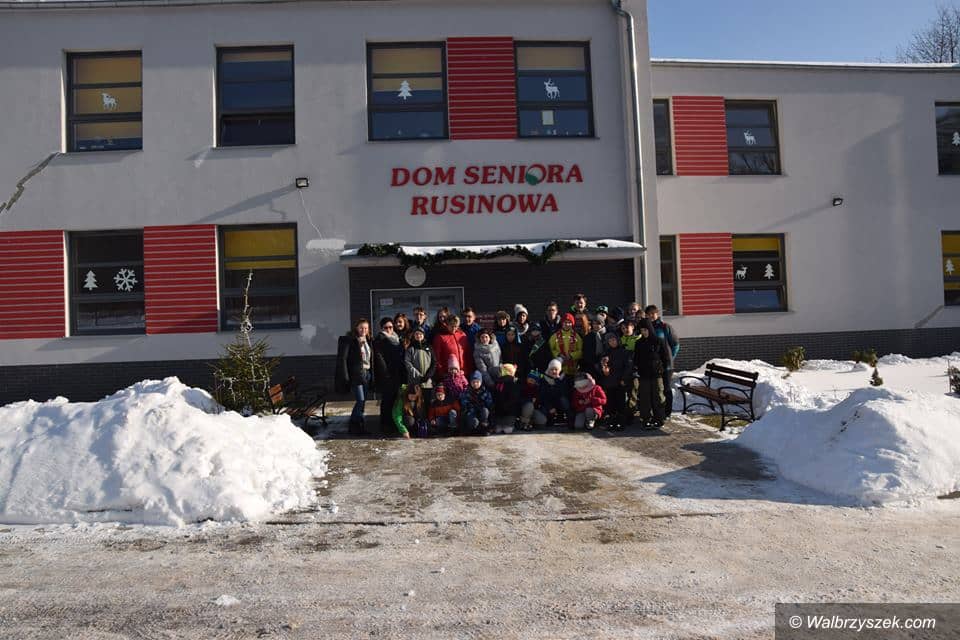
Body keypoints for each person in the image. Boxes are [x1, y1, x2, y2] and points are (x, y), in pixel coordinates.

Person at [632, 318, 672, 429]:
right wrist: (637, 368)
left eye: (645, 330)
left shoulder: (658, 341)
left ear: (650, 329)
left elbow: (665, 357)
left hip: (657, 374)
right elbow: (636, 358)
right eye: (642, 330)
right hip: (644, 374)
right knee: (645, 398)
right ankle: (646, 419)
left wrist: (662, 369)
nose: (644, 332)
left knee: (658, 396)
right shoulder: (639, 343)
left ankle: (659, 418)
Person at [337, 318, 372, 435]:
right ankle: (353, 425)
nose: (364, 330)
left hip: (367, 373)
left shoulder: (369, 340)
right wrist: (346, 376)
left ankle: (360, 426)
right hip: (356, 375)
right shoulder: (351, 340)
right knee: (360, 400)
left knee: (363, 401)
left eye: (366, 328)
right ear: (356, 328)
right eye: (361, 327)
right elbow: (344, 359)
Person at [645, 304, 680, 417]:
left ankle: (667, 412)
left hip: (666, 365)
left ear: (657, 314)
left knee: (666, 388)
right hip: (652, 364)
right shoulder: (646, 328)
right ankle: (657, 411)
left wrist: (669, 358)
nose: (651, 316)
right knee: (655, 389)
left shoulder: (665, 327)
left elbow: (675, 344)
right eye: (648, 314)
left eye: (653, 313)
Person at [373, 317, 405, 434]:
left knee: (395, 400)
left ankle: (394, 423)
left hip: (397, 374)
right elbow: (379, 358)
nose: (388, 329)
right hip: (387, 375)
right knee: (387, 401)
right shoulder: (380, 340)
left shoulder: (397, 338)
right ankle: (385, 425)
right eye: (385, 327)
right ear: (382, 328)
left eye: (390, 327)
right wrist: (385, 373)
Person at [598, 332, 631, 429]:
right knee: (611, 403)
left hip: (620, 381)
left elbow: (628, 367)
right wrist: (603, 370)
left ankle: (621, 422)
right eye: (610, 341)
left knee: (621, 403)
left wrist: (624, 379)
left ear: (617, 340)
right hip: (609, 382)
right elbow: (601, 366)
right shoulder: (605, 353)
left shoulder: (624, 352)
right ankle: (612, 421)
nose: (612, 342)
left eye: (613, 340)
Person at [528, 358, 570, 428]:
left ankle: (566, 418)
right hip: (547, 403)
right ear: (548, 369)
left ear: (559, 370)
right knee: (545, 412)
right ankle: (549, 419)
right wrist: (550, 407)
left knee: (564, 400)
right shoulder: (544, 380)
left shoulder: (562, 379)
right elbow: (543, 396)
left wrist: (557, 381)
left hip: (559, 403)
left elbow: (563, 393)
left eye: (556, 369)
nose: (554, 371)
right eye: (552, 369)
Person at [432, 315, 471, 380]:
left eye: (456, 326)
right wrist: (441, 372)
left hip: (463, 372)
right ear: (447, 325)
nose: (454, 328)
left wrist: (468, 369)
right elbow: (437, 356)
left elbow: (467, 353)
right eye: (451, 326)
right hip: (448, 373)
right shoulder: (440, 337)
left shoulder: (462, 335)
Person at [460, 371, 494, 435]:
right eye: (473, 382)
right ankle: (474, 429)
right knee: (473, 422)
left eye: (477, 382)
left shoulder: (485, 391)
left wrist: (484, 405)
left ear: (481, 382)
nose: (475, 384)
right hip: (472, 410)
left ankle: (485, 427)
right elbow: (464, 402)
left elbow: (489, 402)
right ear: (470, 382)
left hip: (482, 410)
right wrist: (470, 405)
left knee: (485, 411)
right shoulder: (467, 391)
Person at [493, 363, 522, 434]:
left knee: (507, 430)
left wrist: (505, 406)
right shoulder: (499, 382)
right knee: (499, 430)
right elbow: (496, 396)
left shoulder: (514, 383)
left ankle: (511, 424)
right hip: (500, 411)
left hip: (509, 412)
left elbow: (514, 399)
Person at [404, 326, 435, 391]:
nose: (418, 336)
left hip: (427, 382)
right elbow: (408, 364)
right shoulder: (411, 348)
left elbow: (433, 362)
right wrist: (418, 376)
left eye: (420, 334)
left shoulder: (429, 347)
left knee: (427, 396)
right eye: (416, 334)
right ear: (414, 336)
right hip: (414, 381)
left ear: (423, 335)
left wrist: (428, 375)